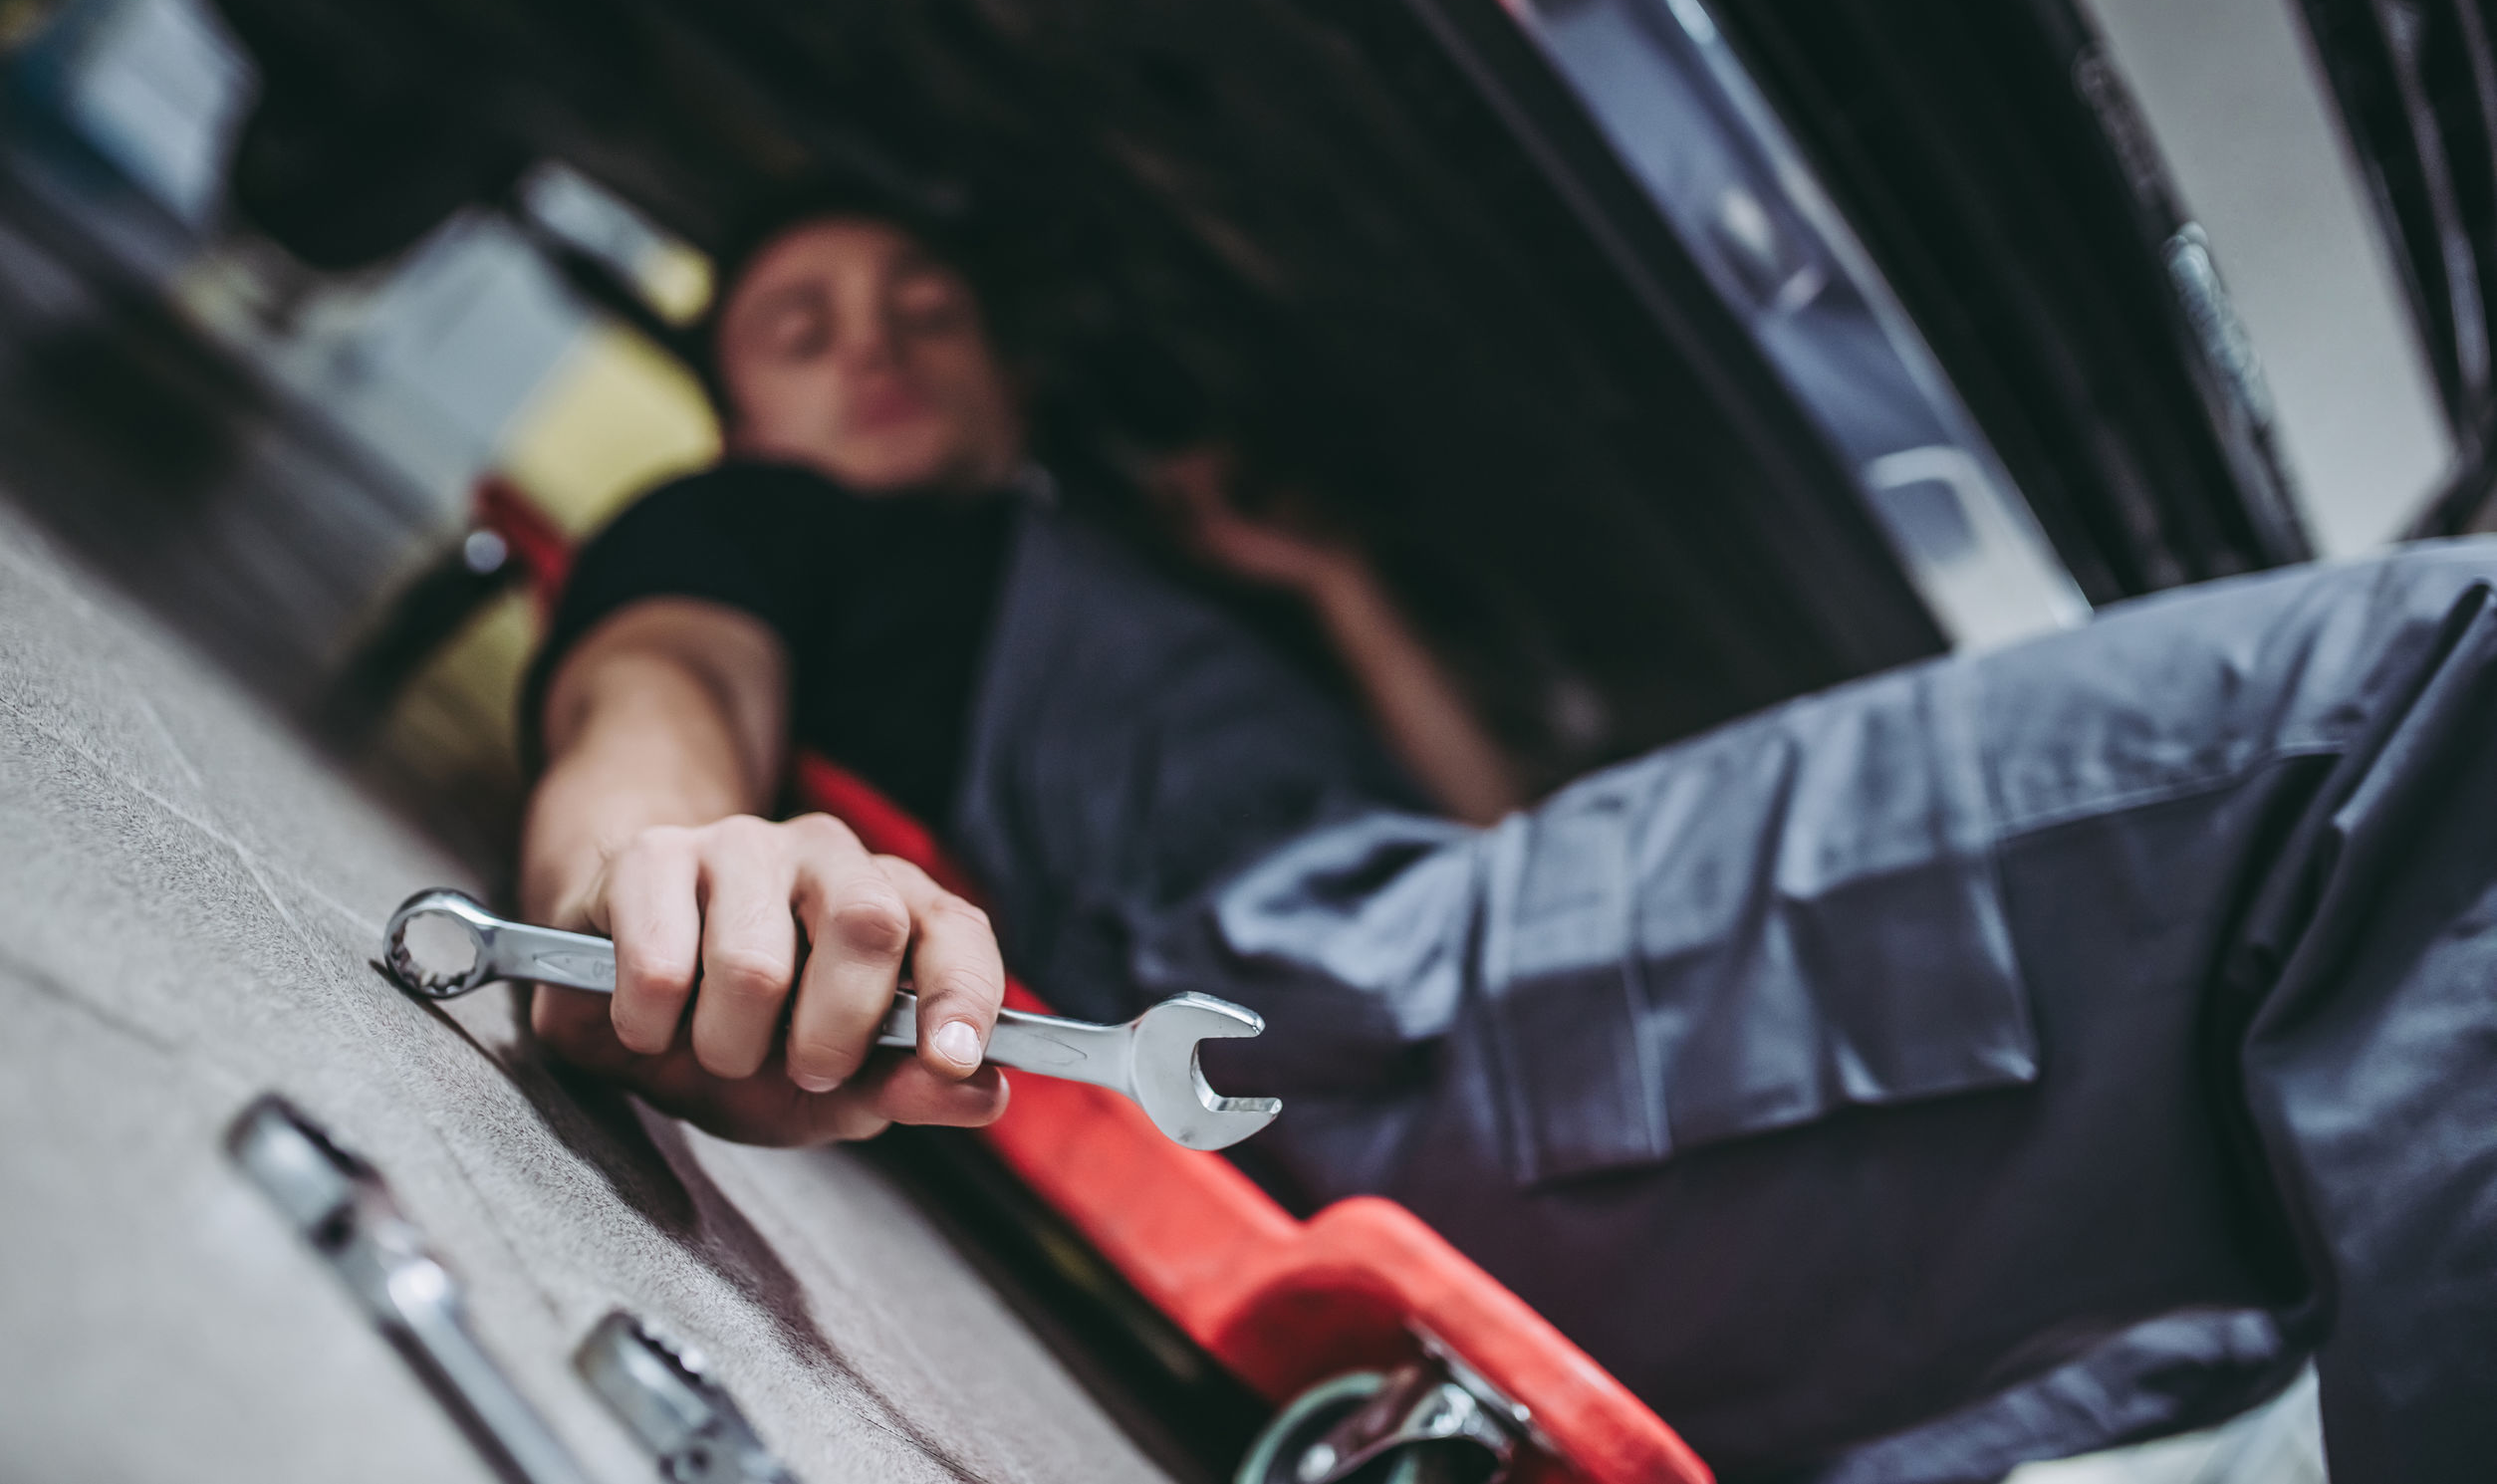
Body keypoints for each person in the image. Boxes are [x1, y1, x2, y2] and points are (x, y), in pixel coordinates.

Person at [521, 186, 2497, 1482]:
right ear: (733, 404)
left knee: (2303, 1174)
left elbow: (1498, 835)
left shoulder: (1121, 565)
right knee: (2425, 711)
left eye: (925, 306)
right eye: (803, 325)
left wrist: (1332, 585)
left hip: (1479, 973)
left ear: (1009, 369)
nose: (874, 341)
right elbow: (655, 695)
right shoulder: (748, 526)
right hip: (1342, 1027)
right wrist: (660, 885)